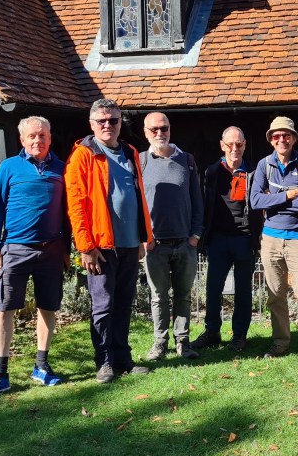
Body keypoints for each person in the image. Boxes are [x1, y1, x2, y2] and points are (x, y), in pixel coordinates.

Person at [0, 116, 70, 399]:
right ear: (22, 140)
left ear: (50, 138)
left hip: (51, 250)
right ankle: (1, 374)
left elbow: (67, 213)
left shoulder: (62, 169)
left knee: (48, 307)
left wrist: (66, 249)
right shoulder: (9, 167)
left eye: (42, 136)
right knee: (4, 309)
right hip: (14, 250)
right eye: (31, 136)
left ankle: (41, 366)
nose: (37, 141)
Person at [65, 99, 154, 384]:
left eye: (113, 120)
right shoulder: (83, 154)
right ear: (91, 124)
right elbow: (76, 204)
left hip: (129, 243)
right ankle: (103, 362)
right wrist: (86, 247)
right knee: (103, 306)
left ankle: (123, 359)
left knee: (124, 302)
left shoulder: (130, 152)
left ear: (119, 123)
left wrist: (143, 238)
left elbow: (138, 197)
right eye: (101, 121)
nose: (107, 125)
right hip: (100, 246)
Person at [249, 117, 298, 363]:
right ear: (271, 139)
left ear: (294, 138)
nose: (282, 140)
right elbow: (255, 201)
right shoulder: (264, 165)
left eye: (286, 135)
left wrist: (274, 199)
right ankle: (281, 342)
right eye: (277, 136)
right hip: (270, 239)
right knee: (275, 295)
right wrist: (289, 194)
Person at [191, 126, 263, 353]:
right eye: (230, 144)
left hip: (244, 239)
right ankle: (212, 331)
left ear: (245, 145)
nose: (235, 149)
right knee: (213, 288)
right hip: (218, 239)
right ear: (222, 146)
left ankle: (239, 335)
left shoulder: (254, 171)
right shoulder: (212, 172)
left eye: (239, 144)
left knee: (243, 291)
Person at [139, 112, 204, 361]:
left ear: (169, 129)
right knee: (158, 297)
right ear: (146, 132)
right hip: (155, 245)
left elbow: (198, 199)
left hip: (184, 243)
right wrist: (144, 237)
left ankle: (183, 343)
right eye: (154, 129)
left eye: (163, 128)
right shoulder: (141, 161)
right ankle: (159, 343)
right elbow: (137, 203)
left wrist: (195, 236)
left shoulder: (186, 161)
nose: (159, 133)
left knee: (183, 296)